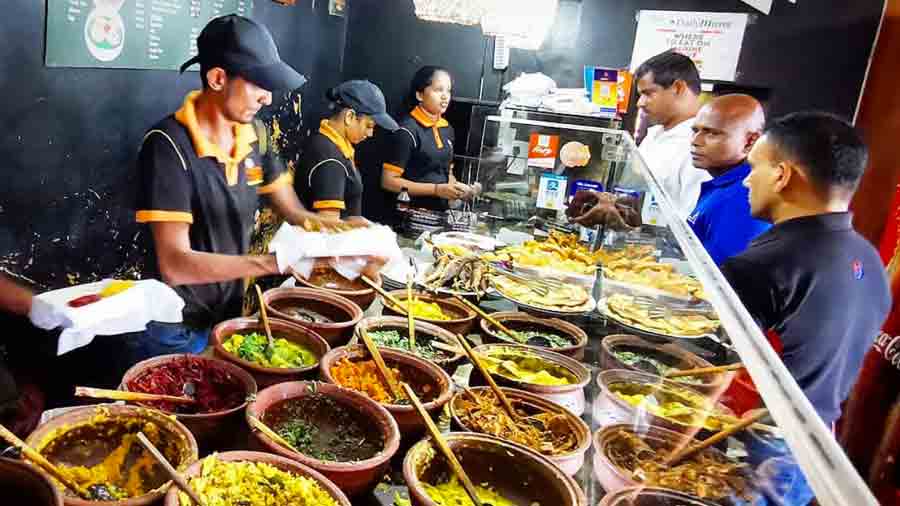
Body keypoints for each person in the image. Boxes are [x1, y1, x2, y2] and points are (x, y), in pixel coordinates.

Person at [133, 15, 336, 363]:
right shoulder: (168, 145)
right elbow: (175, 264)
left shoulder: (255, 133)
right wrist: (272, 263)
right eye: (259, 84)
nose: (268, 98)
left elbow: (290, 208)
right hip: (172, 327)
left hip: (224, 313)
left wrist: (341, 234)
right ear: (217, 78)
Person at [720, 112, 891, 505]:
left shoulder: (764, 265)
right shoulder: (868, 259)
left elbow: (718, 379)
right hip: (814, 449)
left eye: (754, 168)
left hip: (753, 450)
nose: (747, 180)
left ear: (782, 175)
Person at [294, 81, 398, 219]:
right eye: (369, 125)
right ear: (349, 117)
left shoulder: (333, 146)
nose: (370, 133)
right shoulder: (330, 160)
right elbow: (328, 225)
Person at [687, 94, 771, 265]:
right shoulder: (725, 187)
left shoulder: (744, 197)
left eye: (712, 133)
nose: (695, 141)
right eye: (695, 131)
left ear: (749, 141)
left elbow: (721, 279)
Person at [381, 66, 474, 217]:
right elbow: (388, 181)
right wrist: (436, 190)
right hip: (409, 215)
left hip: (439, 215)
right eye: (438, 90)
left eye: (448, 90)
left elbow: (446, 172)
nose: (445, 96)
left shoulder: (447, 128)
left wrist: (457, 189)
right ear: (419, 95)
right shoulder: (406, 131)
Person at [632, 51, 710, 217]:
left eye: (648, 93)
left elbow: (690, 221)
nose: (640, 103)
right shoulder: (654, 135)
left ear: (678, 88)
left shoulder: (699, 147)